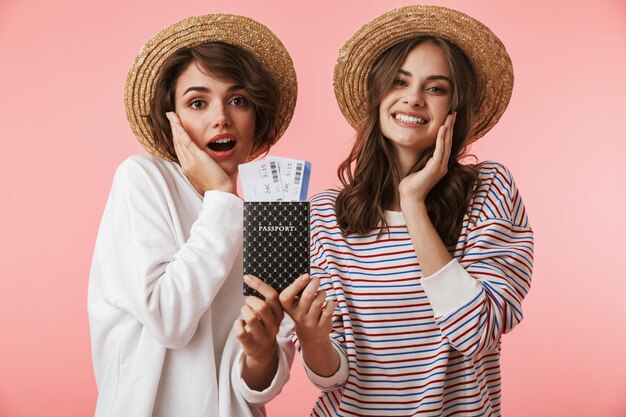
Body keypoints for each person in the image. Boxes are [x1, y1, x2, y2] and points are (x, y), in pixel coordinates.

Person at [279, 5, 533, 416]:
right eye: (400, 81)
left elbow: (476, 332)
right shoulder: (325, 214)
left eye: (436, 88)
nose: (414, 98)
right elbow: (333, 377)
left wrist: (413, 202)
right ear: (378, 94)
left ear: (455, 108)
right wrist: (311, 338)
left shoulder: (489, 191)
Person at [88, 14, 297, 417]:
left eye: (238, 100)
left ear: (257, 115)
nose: (221, 117)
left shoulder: (270, 214)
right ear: (173, 120)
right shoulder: (143, 179)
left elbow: (259, 387)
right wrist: (221, 196)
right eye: (197, 102)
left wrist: (261, 352)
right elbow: (168, 318)